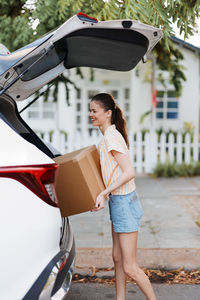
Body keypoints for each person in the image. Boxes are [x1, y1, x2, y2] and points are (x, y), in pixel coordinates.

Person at [89, 93, 156, 300]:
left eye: (94, 111)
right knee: (117, 257)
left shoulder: (112, 137)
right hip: (119, 202)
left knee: (130, 267)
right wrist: (98, 195)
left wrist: (103, 192)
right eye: (90, 110)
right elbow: (111, 173)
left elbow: (129, 172)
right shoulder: (107, 136)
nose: (90, 114)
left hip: (125, 202)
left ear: (108, 113)